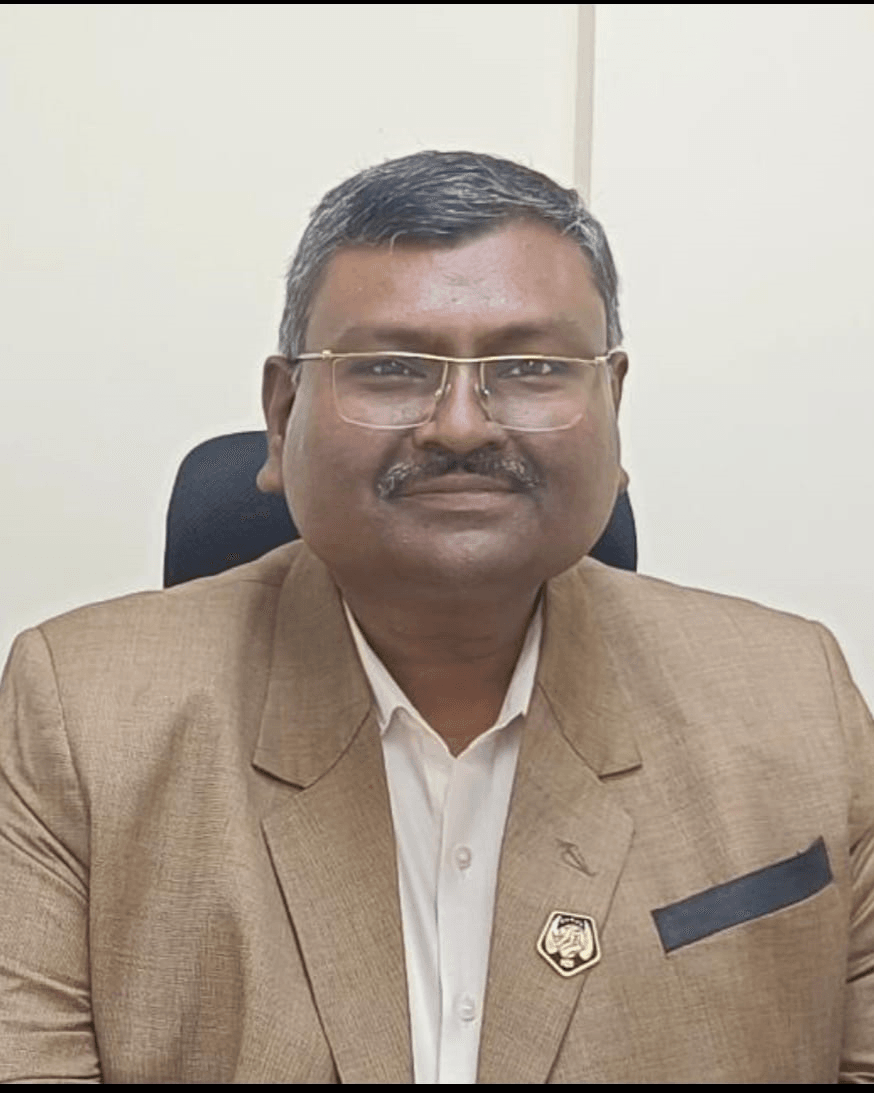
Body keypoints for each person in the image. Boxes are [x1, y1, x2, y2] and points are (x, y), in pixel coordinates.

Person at [1, 150, 872, 1084]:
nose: (460, 425)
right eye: (390, 368)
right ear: (282, 414)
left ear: (613, 405)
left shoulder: (797, 700)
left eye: (531, 366)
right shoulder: (82, 718)